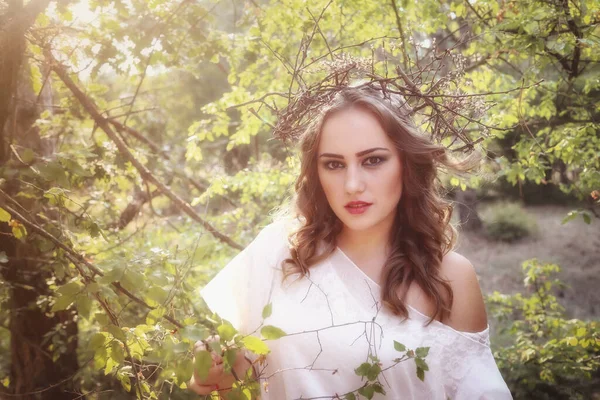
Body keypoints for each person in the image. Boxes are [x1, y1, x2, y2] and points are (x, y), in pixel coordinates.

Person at [189, 86, 513, 399]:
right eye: (334, 164)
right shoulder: (279, 250)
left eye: (372, 160)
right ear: (316, 172)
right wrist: (213, 370)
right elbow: (241, 368)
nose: (352, 185)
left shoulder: (451, 277)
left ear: (406, 163)